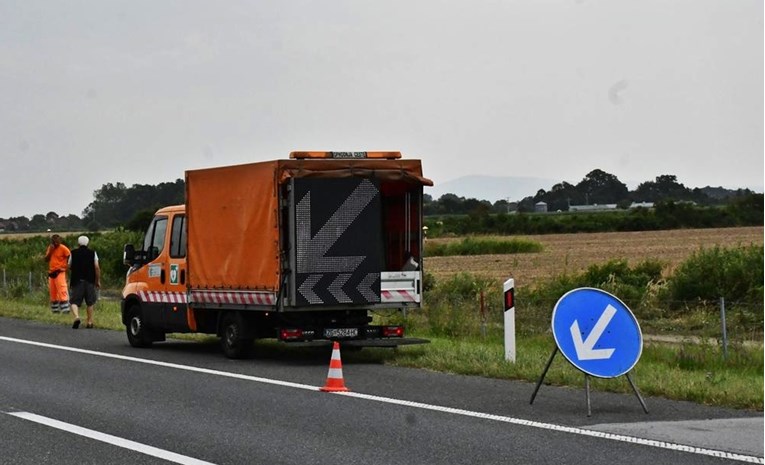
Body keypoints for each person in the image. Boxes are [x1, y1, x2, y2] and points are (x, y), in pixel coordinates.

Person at [68, 235, 101, 329]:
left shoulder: (73, 253)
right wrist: (97, 280)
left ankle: (76, 317)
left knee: (74, 301)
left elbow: (69, 265)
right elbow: (97, 267)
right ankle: (89, 322)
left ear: (78, 244)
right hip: (90, 281)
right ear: (88, 243)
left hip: (77, 280)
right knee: (90, 302)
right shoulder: (93, 253)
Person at [44, 234, 71, 314]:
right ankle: (55, 310)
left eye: (57, 241)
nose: (55, 243)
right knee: (53, 292)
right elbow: (46, 259)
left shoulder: (63, 248)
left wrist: (66, 266)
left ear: (59, 241)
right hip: (51, 272)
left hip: (60, 272)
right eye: (53, 241)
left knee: (62, 290)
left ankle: (65, 310)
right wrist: (51, 251)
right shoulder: (50, 248)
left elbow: (70, 256)